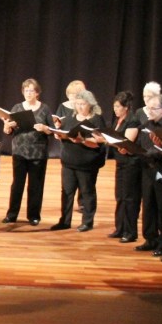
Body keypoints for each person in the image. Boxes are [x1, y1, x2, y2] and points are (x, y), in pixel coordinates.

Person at [50, 90, 105, 232]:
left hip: (87, 163)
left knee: (87, 192)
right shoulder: (69, 118)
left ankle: (87, 222)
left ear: (90, 105)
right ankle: (65, 221)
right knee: (67, 192)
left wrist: (83, 140)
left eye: (83, 104)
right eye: (78, 104)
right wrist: (58, 134)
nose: (80, 107)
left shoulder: (96, 120)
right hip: (69, 162)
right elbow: (64, 134)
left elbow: (99, 141)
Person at [1, 78, 54, 226]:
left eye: (31, 90)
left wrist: (44, 128)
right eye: (26, 90)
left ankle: (34, 216)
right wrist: (7, 126)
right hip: (19, 151)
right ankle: (12, 215)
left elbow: (52, 130)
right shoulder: (17, 107)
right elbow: (8, 130)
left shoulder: (44, 109)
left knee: (35, 186)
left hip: (38, 152)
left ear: (37, 93)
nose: (28, 93)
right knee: (17, 184)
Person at [135, 93, 162, 256]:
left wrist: (149, 152)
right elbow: (141, 144)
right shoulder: (146, 124)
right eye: (149, 108)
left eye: (154, 108)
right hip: (147, 169)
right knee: (148, 204)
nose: (150, 111)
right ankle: (150, 238)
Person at [98, 91, 140, 242]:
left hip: (131, 163)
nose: (115, 109)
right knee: (120, 196)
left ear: (126, 107)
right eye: (114, 106)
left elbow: (126, 143)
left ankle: (130, 232)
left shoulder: (132, 120)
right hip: (120, 161)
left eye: (117, 106)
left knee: (129, 197)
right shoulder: (118, 120)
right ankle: (120, 228)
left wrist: (107, 141)